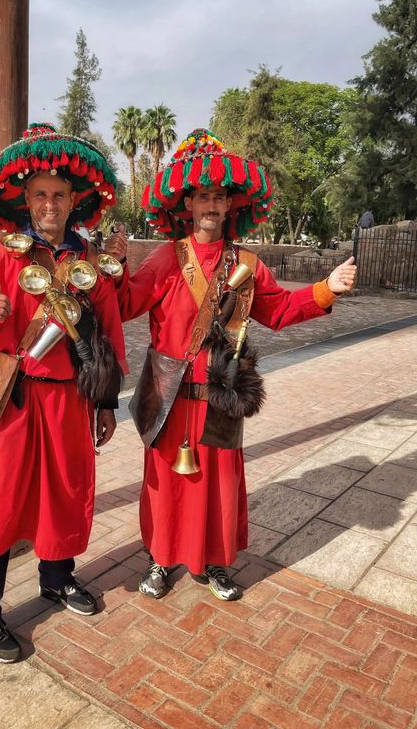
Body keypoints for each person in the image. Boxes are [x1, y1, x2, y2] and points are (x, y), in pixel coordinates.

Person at [105, 128, 357, 603]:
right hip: (170, 396)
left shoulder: (247, 264)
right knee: (165, 484)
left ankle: (215, 562)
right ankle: (161, 559)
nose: (212, 206)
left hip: (222, 391)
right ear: (188, 205)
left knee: (221, 482)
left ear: (230, 206)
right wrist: (114, 270)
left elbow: (279, 310)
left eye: (219, 197)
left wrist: (328, 287)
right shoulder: (165, 258)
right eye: (203, 197)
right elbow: (124, 305)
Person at [0, 123, 126, 664]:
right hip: (17, 401)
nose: (50, 204)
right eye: (41, 195)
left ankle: (56, 577)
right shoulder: (0, 258)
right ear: (26, 201)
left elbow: (109, 333)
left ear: (74, 201)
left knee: (65, 493)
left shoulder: (88, 265)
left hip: (72, 400)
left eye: (60, 195)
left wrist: (105, 402)